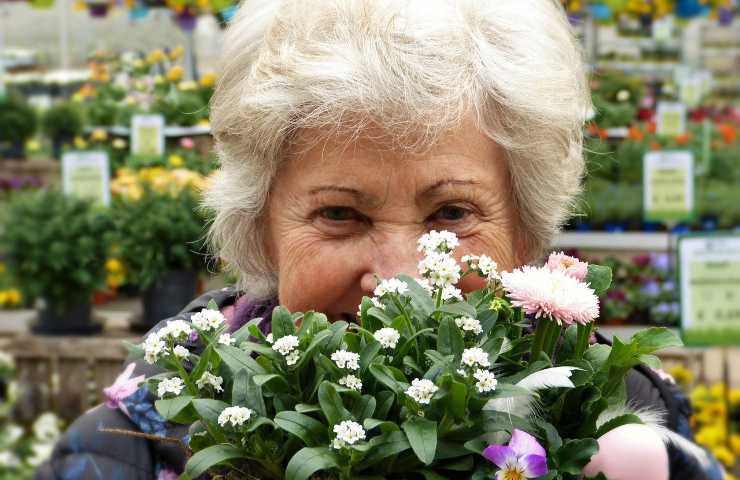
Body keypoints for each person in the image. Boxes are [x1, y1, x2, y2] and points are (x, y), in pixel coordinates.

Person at [36, 1, 724, 479]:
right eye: (340, 214)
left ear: (525, 228)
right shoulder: (123, 453)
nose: (400, 281)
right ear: (262, 229)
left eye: (452, 214)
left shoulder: (620, 427)